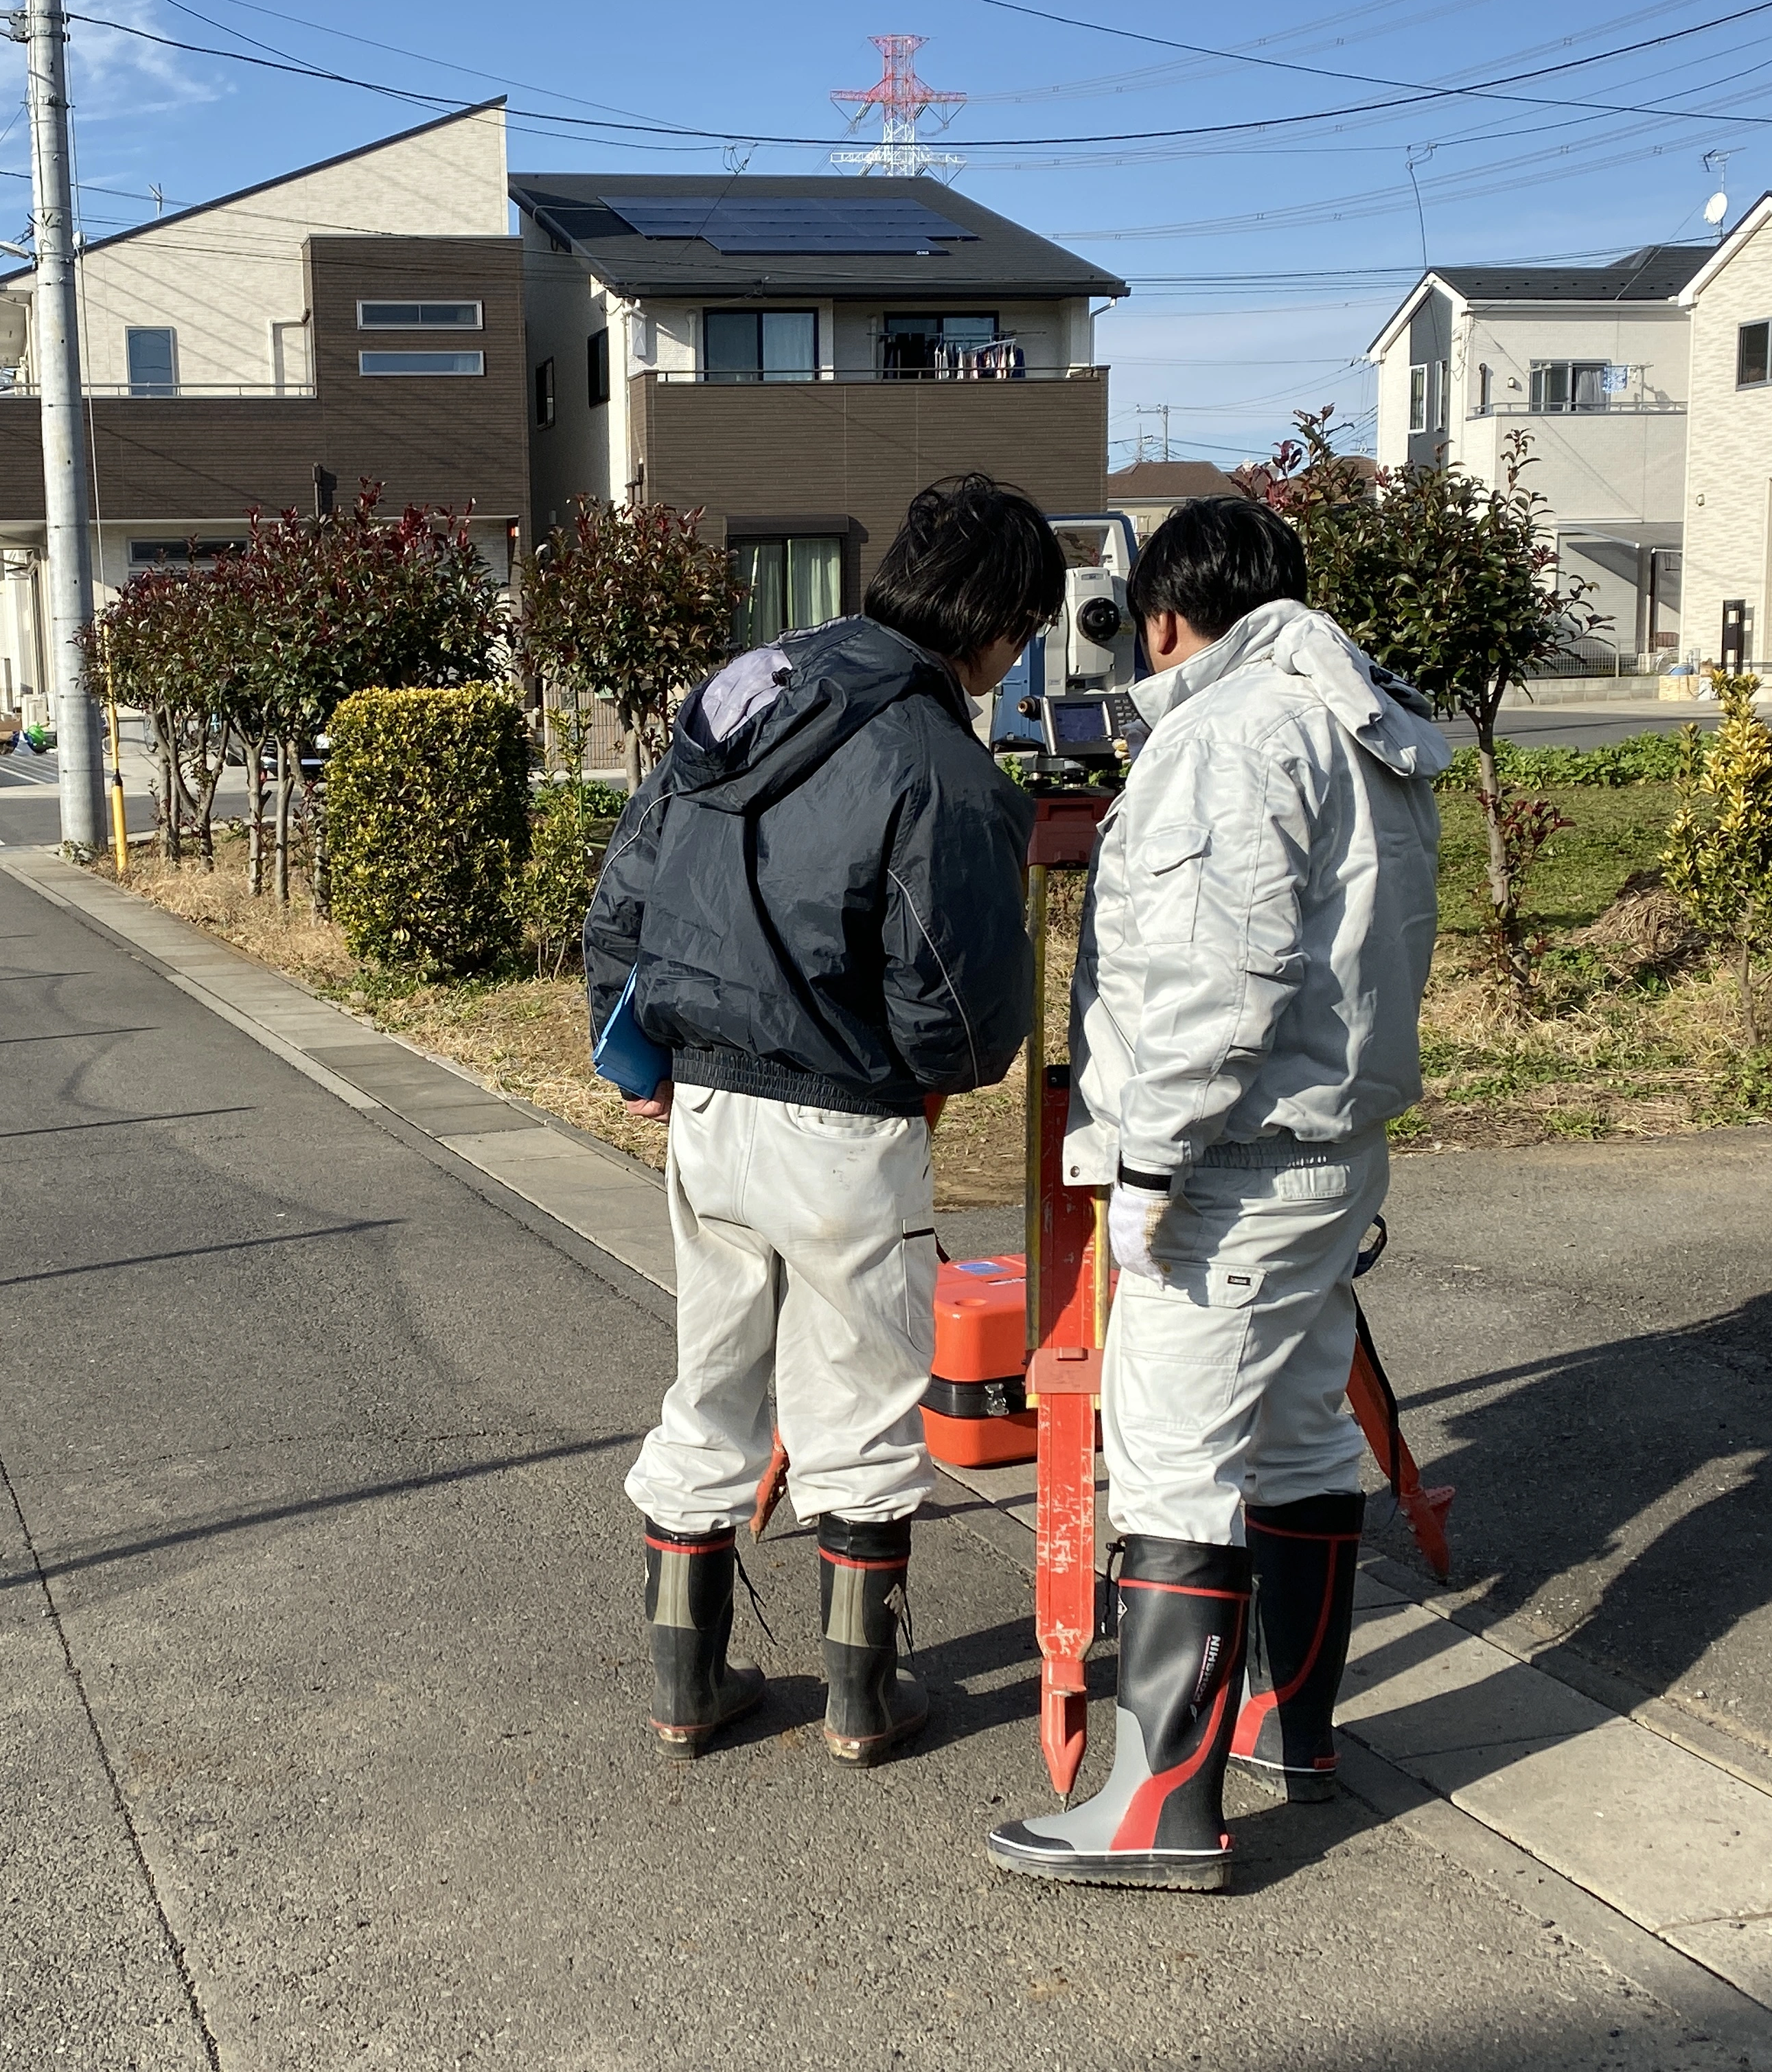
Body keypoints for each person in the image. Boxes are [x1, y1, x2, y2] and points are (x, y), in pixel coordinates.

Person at [986, 496, 1450, 1892]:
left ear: (1175, 619)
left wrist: (1148, 1166)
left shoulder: (1236, 737)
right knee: (1303, 1440)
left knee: (1176, 1452)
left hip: (1233, 1166)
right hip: (1331, 1148)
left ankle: (1159, 1809)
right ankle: (1288, 1727)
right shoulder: (1369, 722)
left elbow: (1210, 977)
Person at [585, 474, 1052, 1769]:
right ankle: (864, 1694)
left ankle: (689, 1686)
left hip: (703, 1103)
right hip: (843, 1121)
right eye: (1023, 634)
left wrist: (625, 1043)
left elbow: (628, 878)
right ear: (1002, 621)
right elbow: (959, 1005)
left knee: (711, 1379)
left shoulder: (748, 688)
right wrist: (928, 1067)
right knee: (856, 1399)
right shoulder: (939, 765)